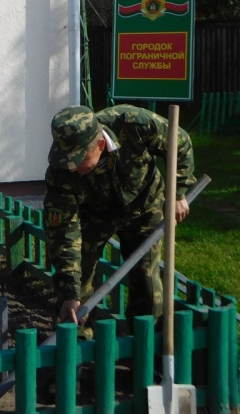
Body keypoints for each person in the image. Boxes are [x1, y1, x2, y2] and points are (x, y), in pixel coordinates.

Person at [42, 104, 195, 330]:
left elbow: (179, 142)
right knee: (78, 284)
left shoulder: (133, 124)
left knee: (147, 282)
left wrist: (179, 192)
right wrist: (69, 292)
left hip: (144, 206)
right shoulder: (60, 173)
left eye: (76, 160)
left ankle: (144, 345)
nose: (70, 168)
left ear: (100, 145)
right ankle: (77, 348)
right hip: (93, 216)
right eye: (65, 159)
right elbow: (63, 234)